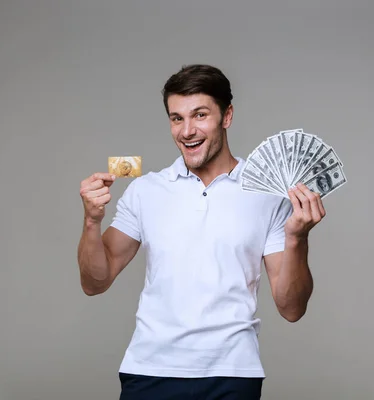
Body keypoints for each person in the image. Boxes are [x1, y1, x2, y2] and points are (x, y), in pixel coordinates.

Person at [77, 64, 326, 400]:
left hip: (233, 374)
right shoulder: (145, 191)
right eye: (176, 118)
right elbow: (95, 282)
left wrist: (298, 238)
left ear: (227, 116)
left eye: (200, 115)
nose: (187, 130)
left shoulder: (269, 196)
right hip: (149, 370)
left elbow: (291, 308)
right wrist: (92, 221)